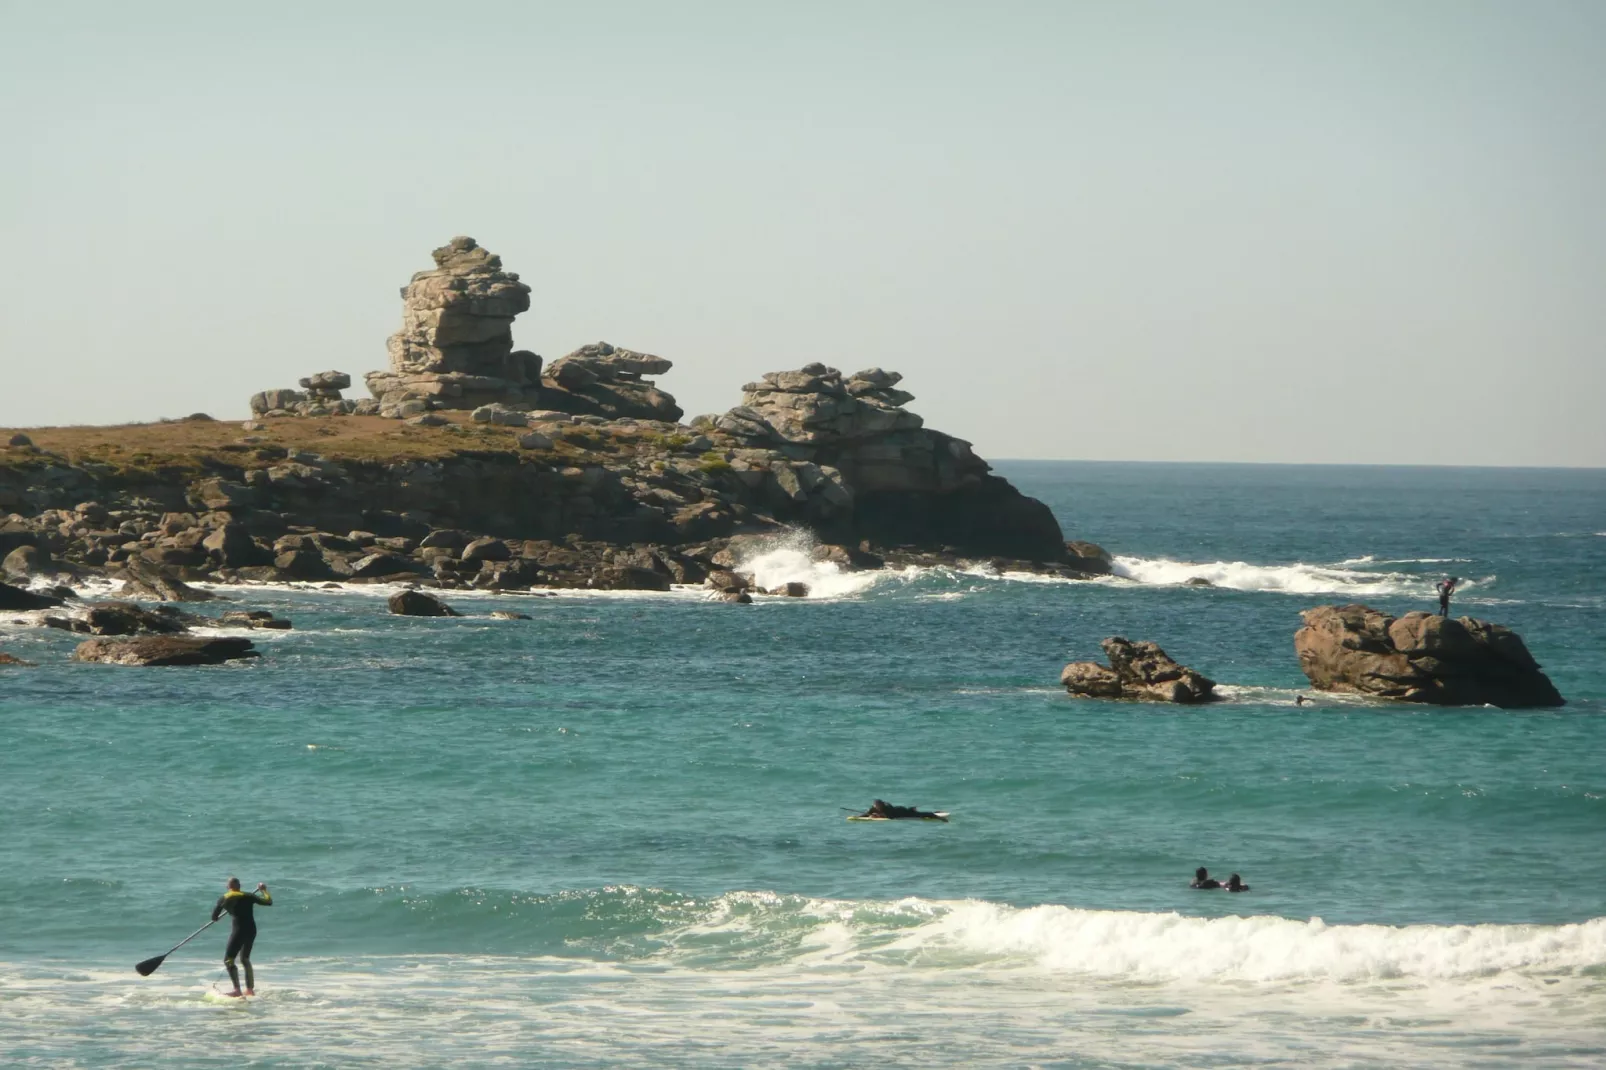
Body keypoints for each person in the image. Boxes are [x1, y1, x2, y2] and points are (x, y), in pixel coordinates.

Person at [212, 876, 271, 996]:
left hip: (238, 931)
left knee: (228, 960)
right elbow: (268, 901)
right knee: (245, 959)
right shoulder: (248, 896)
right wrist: (263, 890)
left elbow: (214, 917)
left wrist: (220, 915)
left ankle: (237, 990)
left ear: (228, 887)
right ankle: (250, 990)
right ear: (239, 886)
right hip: (251, 930)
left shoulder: (224, 898)